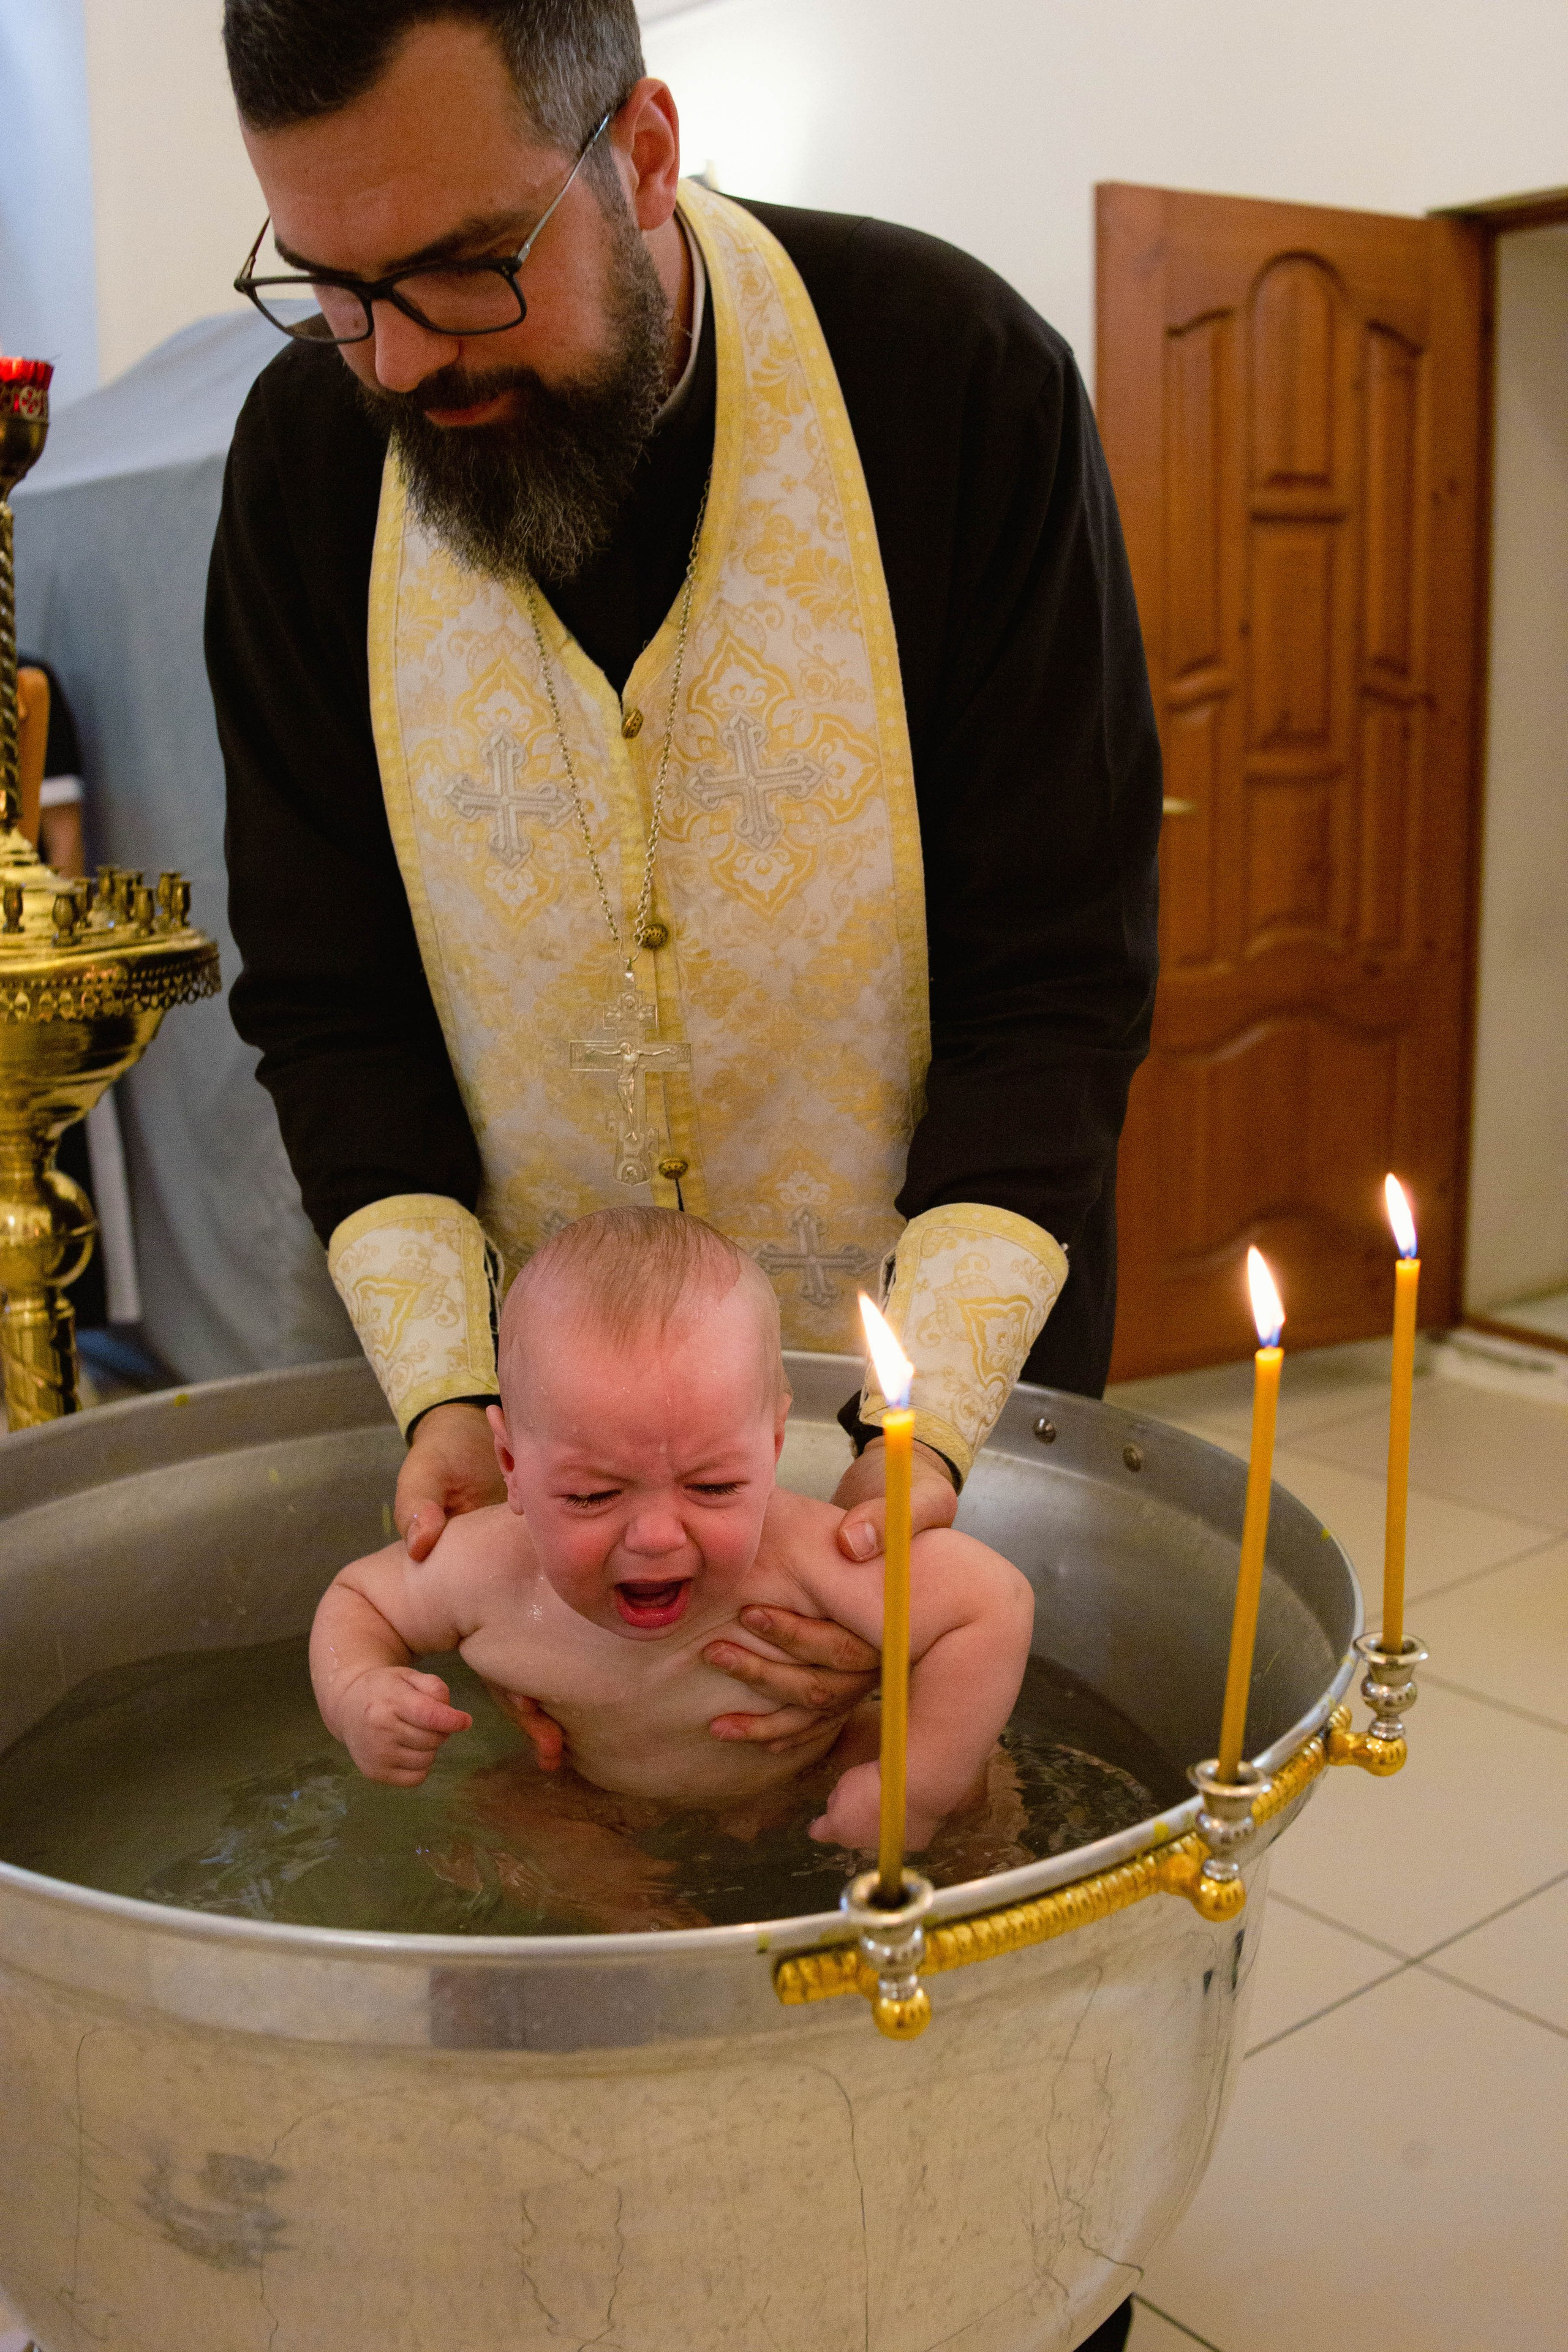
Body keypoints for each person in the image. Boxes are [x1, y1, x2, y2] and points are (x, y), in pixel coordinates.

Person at [208, 2, 1159, 1839]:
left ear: (640, 150)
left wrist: (911, 1455)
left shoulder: (951, 379)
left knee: (936, 1899)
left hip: (939, 1424)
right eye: (329, 286)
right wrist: (451, 1401)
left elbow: (1055, 980)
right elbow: (329, 1005)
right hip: (548, 1491)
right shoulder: (307, 465)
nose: (398, 362)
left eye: (467, 269)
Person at [312, 1208, 1033, 1852]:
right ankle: (630, 1920)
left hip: (820, 1766)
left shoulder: (805, 1556)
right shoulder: (488, 1567)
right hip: (592, 1797)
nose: (657, 1536)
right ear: (510, 1462)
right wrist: (359, 1696)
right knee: (510, 1810)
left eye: (714, 1486)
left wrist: (917, 1786)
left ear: (775, 1446)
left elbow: (989, 1605)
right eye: (592, 1495)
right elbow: (361, 1600)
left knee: (974, 1791)